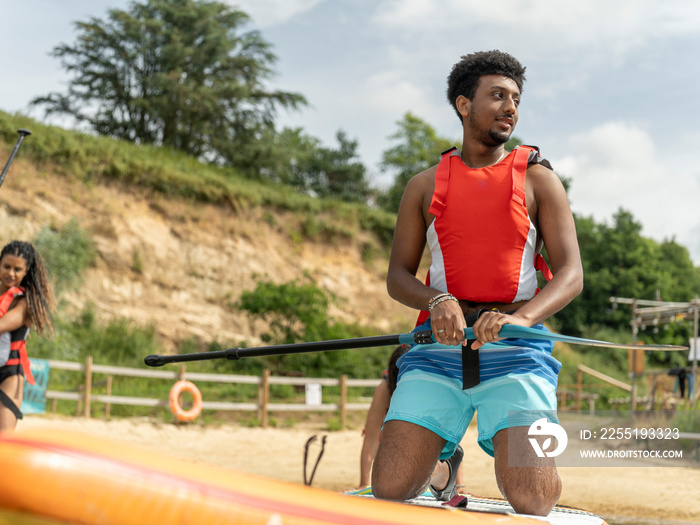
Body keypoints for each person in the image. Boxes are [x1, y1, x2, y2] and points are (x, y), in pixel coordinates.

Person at [371, 50, 583, 516]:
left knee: (533, 498)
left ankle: (533, 452)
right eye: (498, 96)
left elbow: (571, 274)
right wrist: (437, 299)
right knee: (390, 489)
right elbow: (397, 276)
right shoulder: (423, 185)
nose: (511, 107)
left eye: (515, 99)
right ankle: (445, 462)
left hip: (516, 350)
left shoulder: (540, 181)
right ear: (464, 105)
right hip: (437, 348)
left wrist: (521, 318)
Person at [0, 241, 55, 432]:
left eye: (17, 269)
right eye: (7, 266)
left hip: (9, 375)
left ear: (26, 272)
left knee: (3, 443)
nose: (11, 273)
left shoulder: (25, 304)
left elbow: (2, 325)